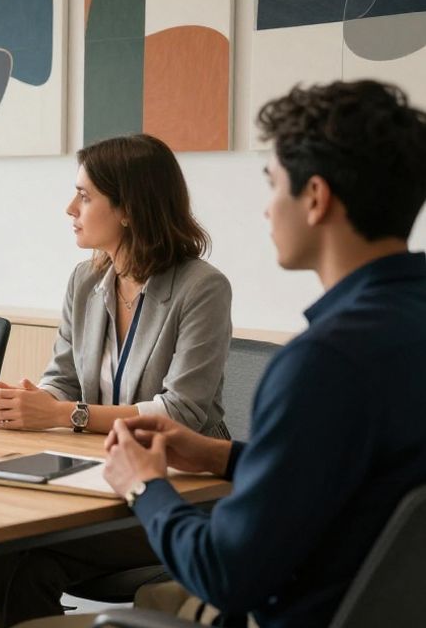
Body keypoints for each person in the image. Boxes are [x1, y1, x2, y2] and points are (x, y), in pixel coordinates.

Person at [87, 80, 426, 628]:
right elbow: (356, 477)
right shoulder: (400, 330)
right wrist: (220, 456)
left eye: (273, 186)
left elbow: (225, 572)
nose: (266, 211)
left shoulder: (323, 363)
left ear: (315, 198)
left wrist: (143, 485)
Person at [0, 133, 232, 628]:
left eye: (84, 196)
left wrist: (63, 414)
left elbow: (182, 411)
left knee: (17, 552)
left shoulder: (201, 288)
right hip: (94, 480)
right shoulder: (86, 280)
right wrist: (19, 403)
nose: (69, 208)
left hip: (180, 492)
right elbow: (61, 379)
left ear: (128, 208)